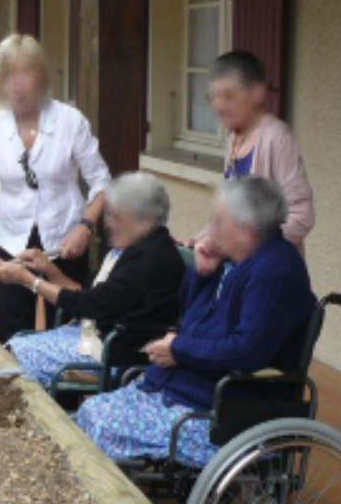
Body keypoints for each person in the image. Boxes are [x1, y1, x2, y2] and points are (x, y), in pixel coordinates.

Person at [76, 176, 316, 469]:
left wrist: (179, 350)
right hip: (187, 390)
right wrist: (201, 273)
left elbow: (245, 351)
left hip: (220, 408)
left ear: (245, 227)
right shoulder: (236, 259)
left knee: (99, 425)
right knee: (88, 414)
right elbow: (190, 317)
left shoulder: (274, 272)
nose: (211, 227)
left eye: (219, 219)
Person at [0, 34, 111, 344]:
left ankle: (64, 395)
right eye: (9, 76)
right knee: (11, 334)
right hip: (10, 241)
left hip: (64, 242)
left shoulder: (70, 122)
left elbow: (101, 182)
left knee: (67, 332)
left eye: (26, 73)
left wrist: (86, 227)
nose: (17, 84)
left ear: (42, 76)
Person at [0, 172, 186, 387]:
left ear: (145, 220)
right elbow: (88, 294)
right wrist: (46, 268)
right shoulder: (128, 249)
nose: (108, 223)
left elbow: (90, 305)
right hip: (94, 337)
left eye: (117, 217)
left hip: (116, 354)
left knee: (13, 359)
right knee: (14, 349)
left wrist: (29, 281)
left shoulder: (150, 260)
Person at [188, 50, 314, 254]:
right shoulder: (233, 140)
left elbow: (301, 215)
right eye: (213, 96)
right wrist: (203, 238)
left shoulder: (276, 137)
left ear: (257, 92)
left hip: (271, 273)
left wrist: (247, 244)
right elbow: (231, 211)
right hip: (240, 269)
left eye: (228, 95)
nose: (219, 105)